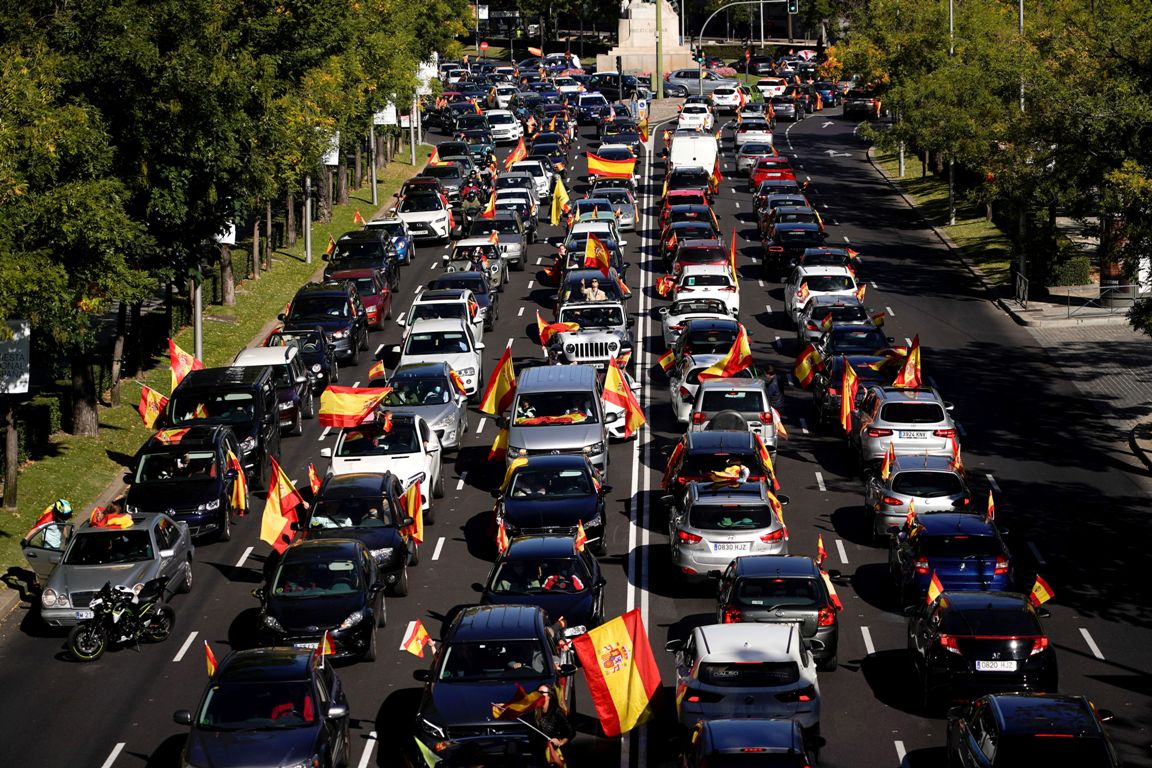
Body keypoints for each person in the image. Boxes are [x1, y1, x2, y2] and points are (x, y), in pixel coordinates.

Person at [533, 684, 575, 762]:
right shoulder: (535, 711)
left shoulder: (556, 711)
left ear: (549, 696)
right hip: (540, 752)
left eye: (542, 692)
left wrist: (561, 742)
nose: (539, 695)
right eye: (538, 692)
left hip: (555, 752)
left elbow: (571, 731)